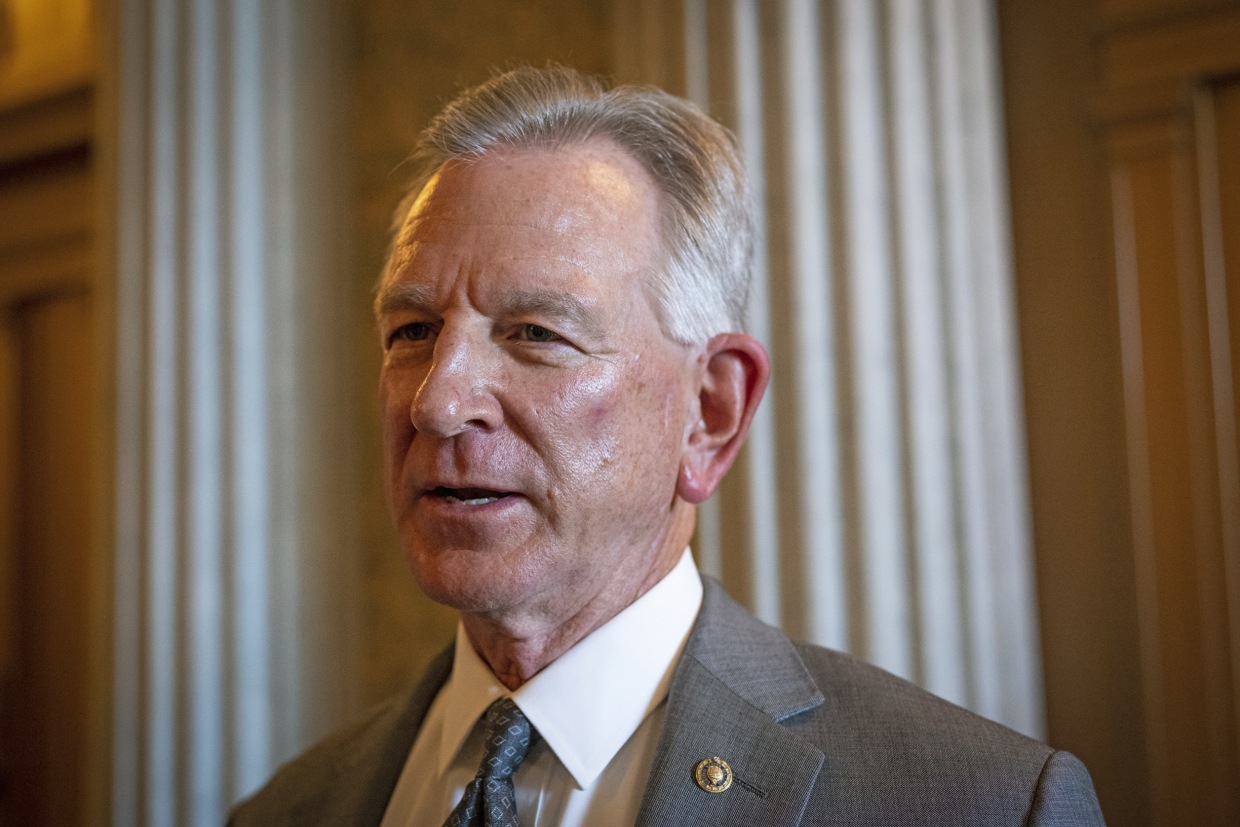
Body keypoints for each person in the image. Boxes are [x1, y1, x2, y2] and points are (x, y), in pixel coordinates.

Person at [229, 66, 1105, 827]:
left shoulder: (980, 803)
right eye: (413, 331)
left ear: (709, 411)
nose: (439, 402)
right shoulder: (289, 808)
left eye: (535, 333)